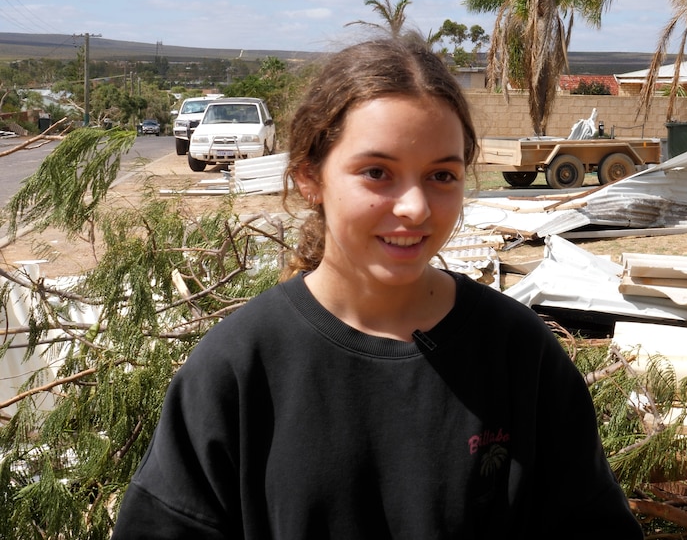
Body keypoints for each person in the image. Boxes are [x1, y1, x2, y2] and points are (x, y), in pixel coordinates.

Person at [111, 38, 643, 539]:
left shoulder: (518, 355)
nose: (414, 208)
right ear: (309, 178)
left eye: (441, 176)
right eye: (376, 172)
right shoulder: (238, 369)